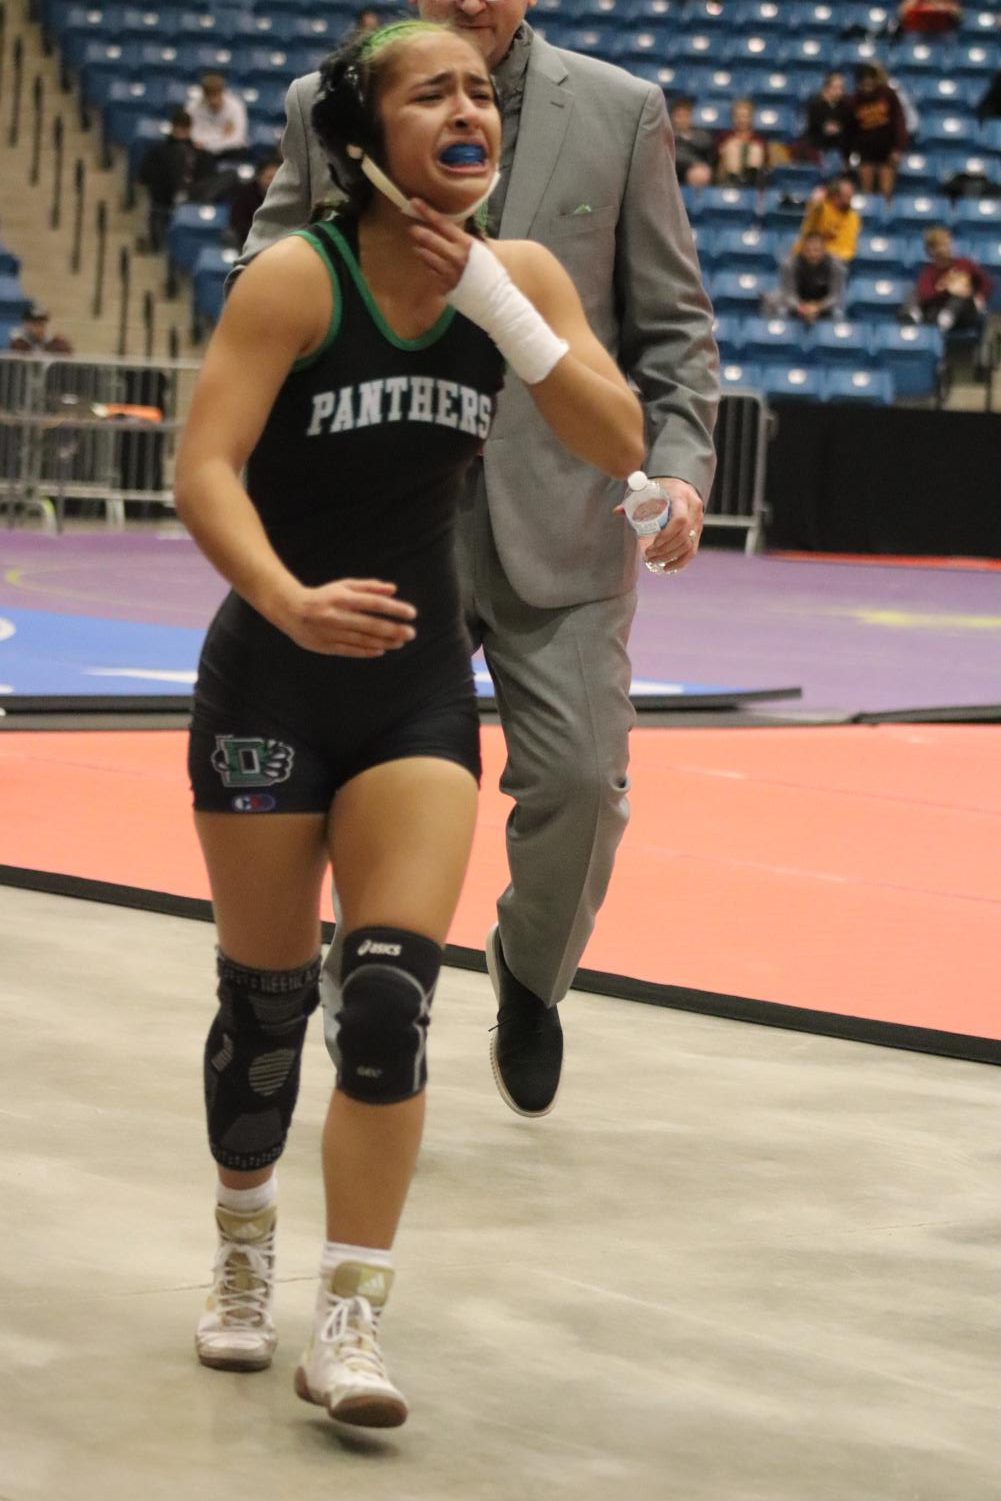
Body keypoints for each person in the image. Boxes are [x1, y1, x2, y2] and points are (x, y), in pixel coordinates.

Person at [176, 18, 646, 1428]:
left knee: (383, 1007)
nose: (470, 107)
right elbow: (204, 467)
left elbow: (615, 436)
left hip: (417, 687)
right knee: (266, 1019)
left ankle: (351, 1319)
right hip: (271, 677)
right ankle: (243, 1255)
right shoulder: (293, 280)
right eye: (431, 90)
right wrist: (284, 594)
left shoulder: (527, 275)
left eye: (479, 92)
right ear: (365, 131)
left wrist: (504, 308)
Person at [236, 0, 717, 1125]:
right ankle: (372, 988)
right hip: (390, 520)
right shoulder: (328, 102)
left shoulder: (619, 110)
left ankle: (530, 974)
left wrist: (681, 472)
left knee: (581, 783)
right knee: (373, 780)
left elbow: (672, 328)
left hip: (570, 518)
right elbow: (264, 272)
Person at [137, 108, 217, 251]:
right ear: (173, 127)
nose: (181, 132)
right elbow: (145, 176)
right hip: (164, 197)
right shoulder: (158, 151)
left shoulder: (201, 153)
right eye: (179, 128)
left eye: (184, 128)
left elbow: (207, 178)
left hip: (192, 198)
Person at [904, 225, 992, 332]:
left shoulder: (964, 263)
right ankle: (913, 315)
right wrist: (945, 288)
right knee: (914, 291)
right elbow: (925, 294)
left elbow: (986, 282)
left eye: (948, 243)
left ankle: (947, 317)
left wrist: (980, 296)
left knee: (960, 291)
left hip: (964, 314)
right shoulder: (929, 271)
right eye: (941, 245)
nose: (947, 248)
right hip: (937, 312)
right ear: (931, 251)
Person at [844, 63, 908, 199]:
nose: (868, 87)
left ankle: (885, 217)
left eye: (870, 82)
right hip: (865, 151)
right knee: (866, 192)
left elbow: (899, 123)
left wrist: (898, 148)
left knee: (886, 192)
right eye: (864, 83)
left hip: (887, 150)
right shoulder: (853, 102)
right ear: (858, 83)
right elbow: (849, 132)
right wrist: (847, 156)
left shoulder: (888, 95)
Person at [763, 231, 847, 323]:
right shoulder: (789, 265)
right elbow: (788, 294)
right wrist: (802, 308)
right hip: (797, 302)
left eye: (816, 250)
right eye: (808, 250)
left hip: (824, 303)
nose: (812, 254)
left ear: (824, 250)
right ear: (802, 250)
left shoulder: (836, 266)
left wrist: (818, 307)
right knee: (774, 301)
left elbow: (835, 296)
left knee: (838, 312)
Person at [794, 174, 861, 263]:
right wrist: (817, 198)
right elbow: (815, 206)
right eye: (846, 196)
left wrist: (826, 254)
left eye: (850, 196)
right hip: (806, 257)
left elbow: (847, 249)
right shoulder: (822, 208)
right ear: (835, 196)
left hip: (832, 261)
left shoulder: (853, 217)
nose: (849, 200)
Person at [188, 72, 249, 160]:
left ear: (222, 92)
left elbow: (237, 138)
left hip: (228, 151)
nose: (213, 100)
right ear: (204, 94)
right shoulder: (193, 107)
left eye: (216, 94)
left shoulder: (236, 106)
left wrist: (208, 144)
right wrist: (221, 135)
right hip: (202, 153)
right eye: (209, 95)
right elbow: (193, 136)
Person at [226, 155, 281, 248]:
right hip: (250, 242)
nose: (273, 182)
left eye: (278, 178)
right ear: (259, 177)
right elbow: (238, 223)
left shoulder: (290, 195)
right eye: (269, 177)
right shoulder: (245, 193)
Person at [714, 97, 768, 187]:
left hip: (755, 180)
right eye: (738, 116)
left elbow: (766, 164)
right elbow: (717, 162)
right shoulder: (724, 136)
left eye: (745, 116)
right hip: (727, 177)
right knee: (731, 147)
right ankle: (736, 181)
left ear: (751, 118)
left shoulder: (759, 139)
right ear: (733, 118)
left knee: (755, 149)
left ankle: (749, 181)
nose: (741, 120)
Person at [798, 72, 850, 162]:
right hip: (817, 148)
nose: (839, 92)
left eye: (841, 88)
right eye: (836, 88)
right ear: (827, 88)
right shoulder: (815, 106)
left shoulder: (846, 108)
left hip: (839, 150)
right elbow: (812, 128)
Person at [669, 95, 715, 187]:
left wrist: (686, 138)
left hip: (693, 171)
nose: (682, 120)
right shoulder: (666, 135)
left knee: (699, 173)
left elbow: (707, 144)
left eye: (686, 116)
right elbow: (676, 156)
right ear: (672, 117)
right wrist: (694, 162)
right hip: (672, 169)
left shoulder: (699, 134)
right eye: (679, 116)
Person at [8, 302, 73, 354]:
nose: (40, 328)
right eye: (36, 324)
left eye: (42, 324)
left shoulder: (54, 343)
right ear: (26, 325)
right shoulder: (19, 345)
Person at [898, 0, 962, 34]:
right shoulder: (913, 2)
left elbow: (958, 16)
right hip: (917, 34)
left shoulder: (948, 3)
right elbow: (901, 14)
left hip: (942, 34)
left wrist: (939, 6)